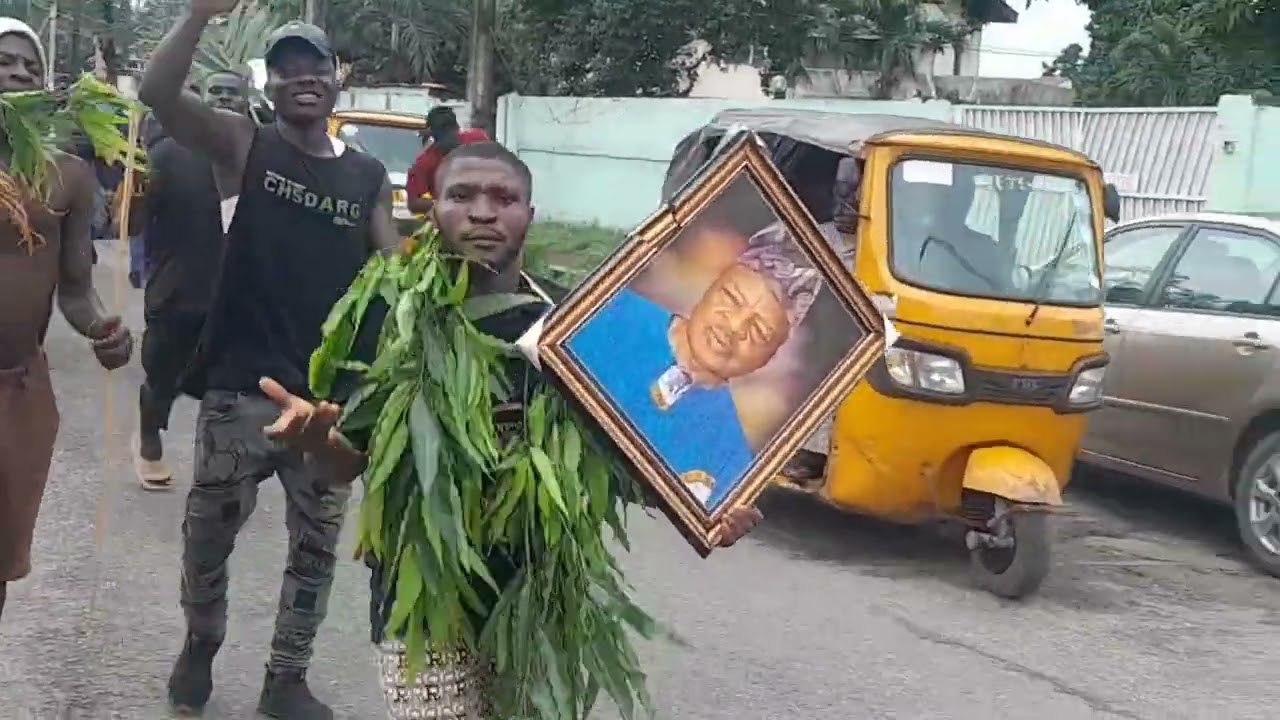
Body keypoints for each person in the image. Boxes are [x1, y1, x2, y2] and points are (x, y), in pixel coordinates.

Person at [257, 141, 763, 718]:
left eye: (504, 198)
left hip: (537, 602)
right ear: (431, 209)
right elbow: (348, 461)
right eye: (462, 195)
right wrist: (316, 441)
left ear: (530, 214)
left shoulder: (576, 323)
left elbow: (620, 454)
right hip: (424, 603)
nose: (482, 211)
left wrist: (703, 504)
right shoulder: (391, 312)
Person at [139, 2, 399, 716]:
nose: (302, 77)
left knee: (314, 554)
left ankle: (286, 679)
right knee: (207, 538)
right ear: (271, 85)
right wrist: (197, 15)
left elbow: (397, 277)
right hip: (240, 389)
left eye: (315, 64)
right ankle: (201, 642)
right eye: (286, 69)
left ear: (336, 78)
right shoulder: (243, 145)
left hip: (326, 406)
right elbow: (158, 95)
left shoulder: (369, 176)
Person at [0, 18, 133, 622]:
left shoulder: (68, 176)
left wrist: (103, 328)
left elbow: (76, 293)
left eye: (31, 65)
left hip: (17, 390)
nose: (20, 71)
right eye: (5, 60)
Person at [568, 223, 823, 510]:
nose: (735, 327)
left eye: (760, 332)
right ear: (709, 289)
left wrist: (717, 524)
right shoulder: (607, 316)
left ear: (770, 356)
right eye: (732, 299)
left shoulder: (727, 452)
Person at [131, 71, 247, 490]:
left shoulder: (263, 156)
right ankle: (148, 440)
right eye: (215, 91)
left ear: (247, 100)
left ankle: (218, 464)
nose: (224, 99)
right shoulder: (166, 154)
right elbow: (133, 220)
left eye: (233, 93)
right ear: (200, 98)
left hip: (236, 299)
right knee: (161, 380)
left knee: (227, 390)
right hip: (176, 291)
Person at [403, 105, 488, 215]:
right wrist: (450, 203)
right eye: (442, 134)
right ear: (432, 134)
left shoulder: (478, 140)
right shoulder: (424, 163)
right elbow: (414, 203)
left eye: (450, 131)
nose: (448, 140)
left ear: (457, 128)